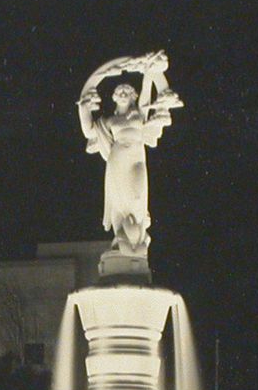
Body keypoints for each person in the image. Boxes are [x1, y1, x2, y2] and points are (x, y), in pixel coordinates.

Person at [77, 52, 182, 254]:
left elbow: (146, 94)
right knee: (119, 199)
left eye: (127, 90)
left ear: (132, 96)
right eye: (120, 90)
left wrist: (149, 72)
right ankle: (121, 237)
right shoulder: (108, 120)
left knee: (137, 195)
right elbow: (89, 131)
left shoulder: (138, 114)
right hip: (117, 160)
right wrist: (84, 108)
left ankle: (139, 233)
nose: (123, 93)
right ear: (115, 96)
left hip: (136, 158)